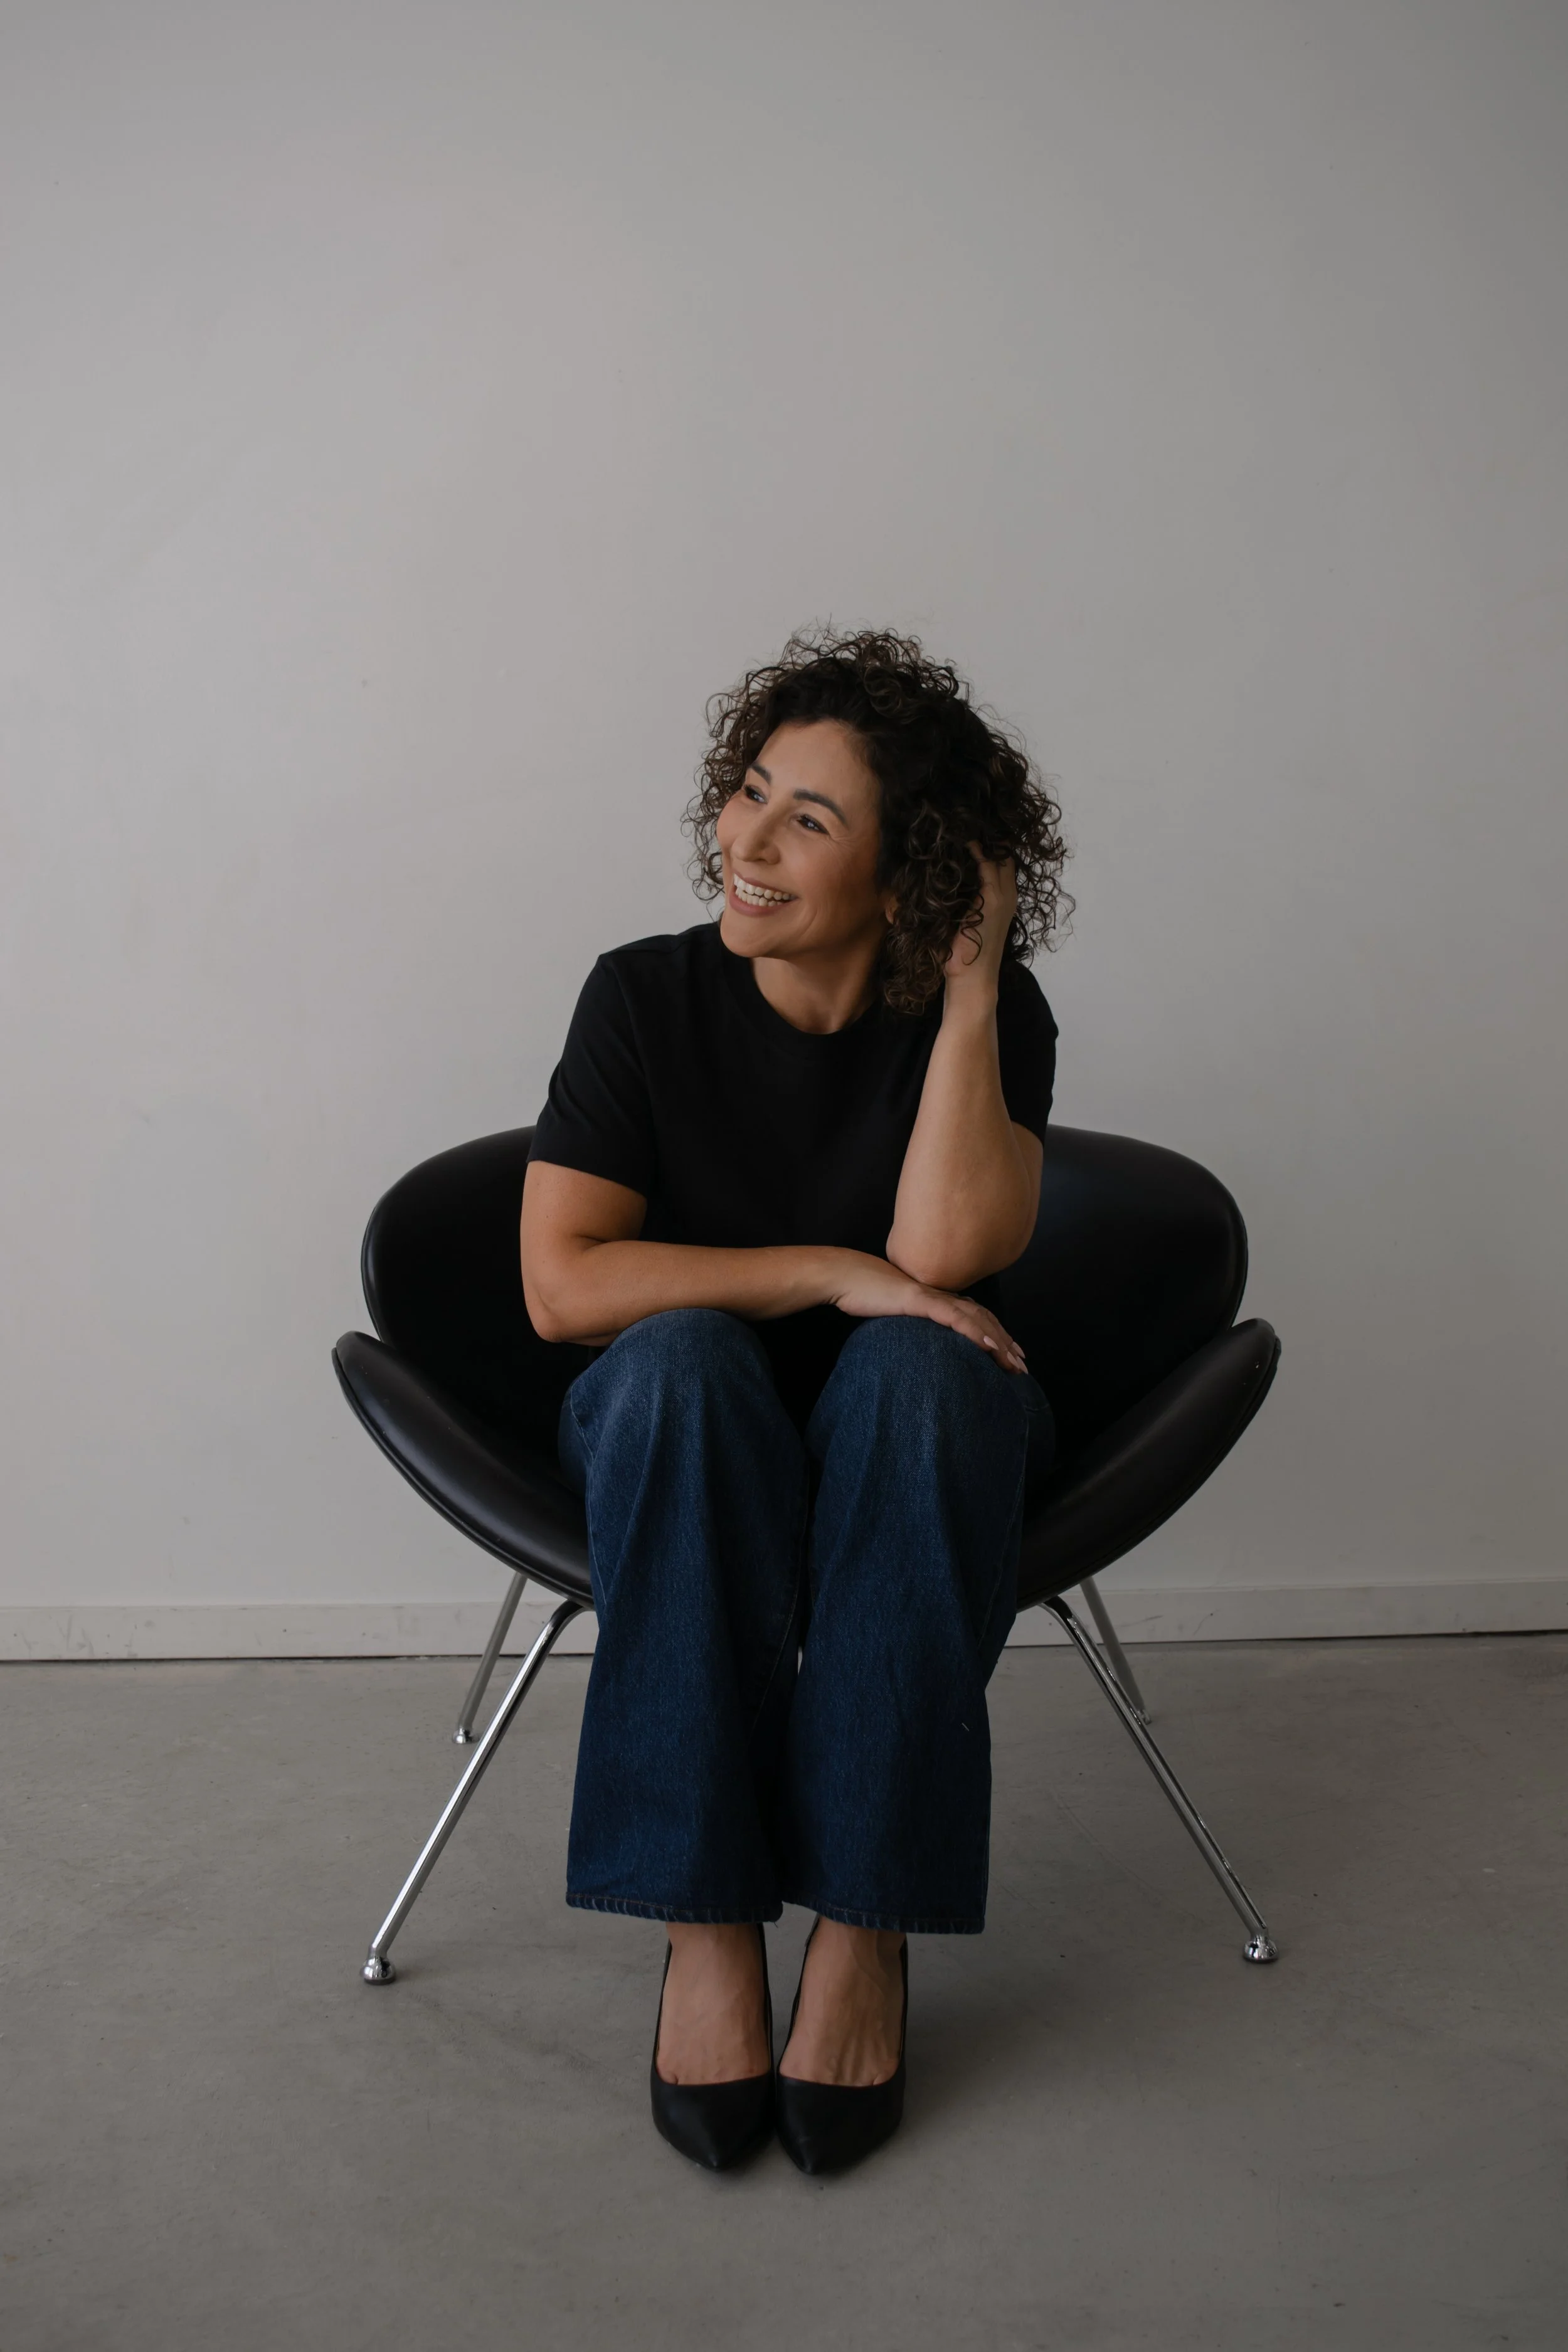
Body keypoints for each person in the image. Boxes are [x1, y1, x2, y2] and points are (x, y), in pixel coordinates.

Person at [520, 626, 1070, 2174]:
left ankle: (863, 1928)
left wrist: (966, 998)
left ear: (908, 878)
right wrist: (826, 1271)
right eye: (748, 793)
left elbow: (944, 1257)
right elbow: (563, 1287)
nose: (744, 843)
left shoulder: (993, 1018)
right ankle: (702, 1931)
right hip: (669, 1435)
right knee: (686, 1361)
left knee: (918, 1365)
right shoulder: (640, 999)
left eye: (808, 820)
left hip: (920, 1446)